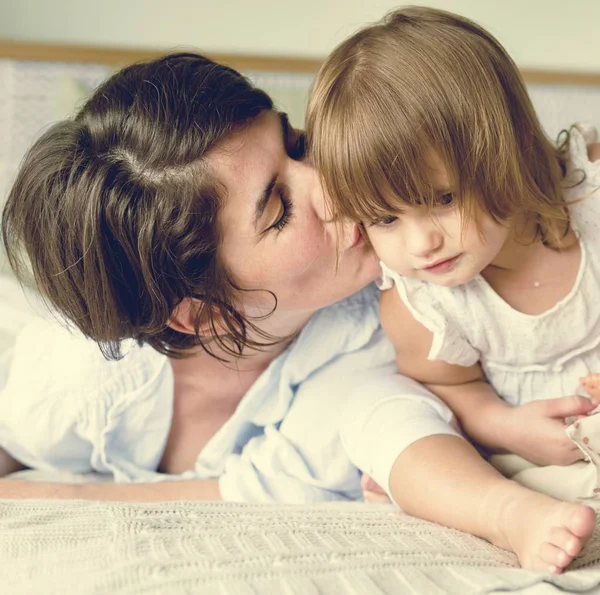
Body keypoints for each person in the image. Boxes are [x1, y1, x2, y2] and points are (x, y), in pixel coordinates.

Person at [0, 52, 459, 504]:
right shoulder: (74, 384)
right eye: (280, 212)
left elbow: (286, 485)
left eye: (297, 144)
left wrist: (58, 493)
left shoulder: (397, 317)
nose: (333, 184)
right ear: (202, 313)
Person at [306, 6, 600, 574]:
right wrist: (510, 428)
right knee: (376, 409)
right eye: (385, 221)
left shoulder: (589, 204)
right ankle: (506, 514)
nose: (422, 244)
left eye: (443, 199)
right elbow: (454, 389)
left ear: (506, 148)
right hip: (527, 465)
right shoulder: (421, 302)